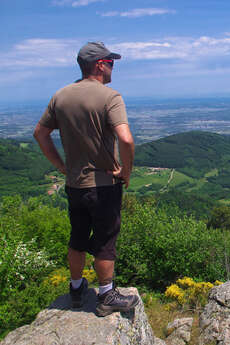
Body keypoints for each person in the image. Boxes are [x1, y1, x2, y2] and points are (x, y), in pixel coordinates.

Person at [33, 42, 138, 317]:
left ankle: (76, 288)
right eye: (111, 62)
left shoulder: (61, 96)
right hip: (103, 186)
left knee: (77, 237)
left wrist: (62, 166)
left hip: (75, 185)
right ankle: (106, 296)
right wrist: (126, 172)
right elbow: (126, 139)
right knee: (105, 240)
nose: (114, 67)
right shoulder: (109, 96)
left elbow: (40, 134)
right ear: (100, 65)